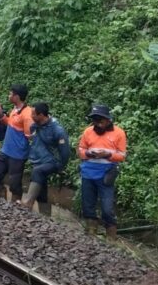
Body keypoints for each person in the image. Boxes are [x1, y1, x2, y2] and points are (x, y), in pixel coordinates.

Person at [77, 104, 128, 239]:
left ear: (108, 120)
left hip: (106, 173)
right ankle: (91, 235)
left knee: (107, 208)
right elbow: (81, 151)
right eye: (95, 120)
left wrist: (106, 155)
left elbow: (122, 155)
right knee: (88, 205)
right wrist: (89, 153)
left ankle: (111, 237)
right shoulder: (88, 131)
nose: (97, 124)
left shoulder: (119, 133)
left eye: (100, 121)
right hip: (88, 172)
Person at [19, 102, 70, 215]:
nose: (31, 116)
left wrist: (60, 166)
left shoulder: (57, 130)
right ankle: (45, 217)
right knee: (41, 191)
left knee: (37, 172)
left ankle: (28, 202)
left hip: (52, 161)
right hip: (39, 161)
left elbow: (65, 151)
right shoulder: (35, 126)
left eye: (33, 114)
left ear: (41, 115)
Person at [0, 84, 34, 202]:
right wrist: (1, 116)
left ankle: (15, 208)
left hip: (18, 155)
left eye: (10, 94)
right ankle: (1, 202)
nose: (9, 96)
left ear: (17, 96)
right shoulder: (15, 109)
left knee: (15, 185)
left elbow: (30, 137)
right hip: (5, 151)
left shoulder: (27, 114)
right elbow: (11, 123)